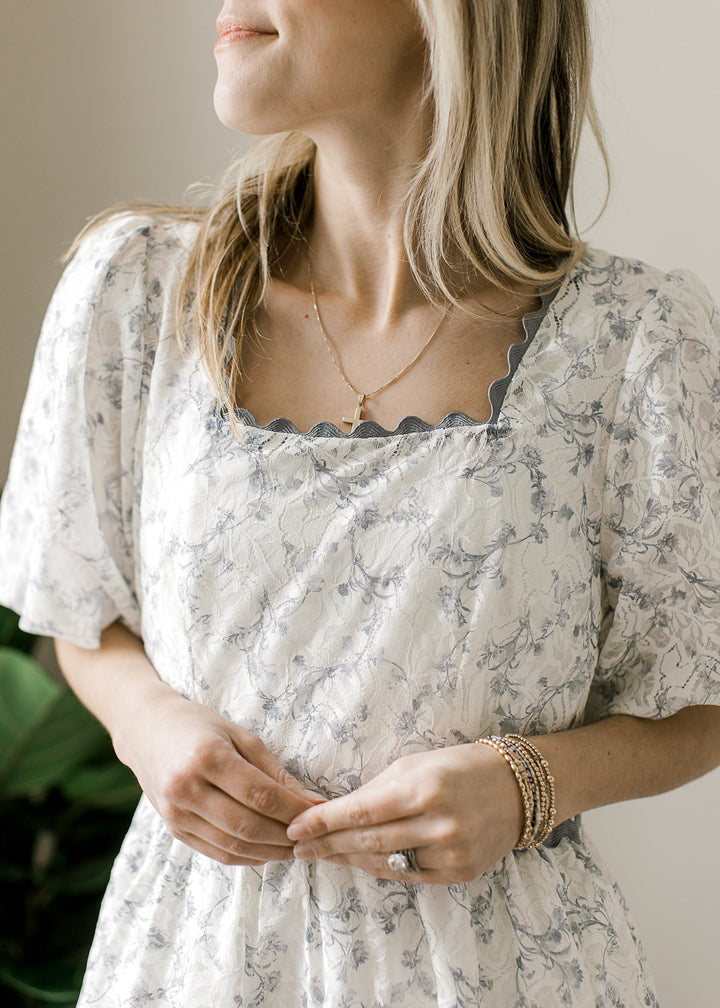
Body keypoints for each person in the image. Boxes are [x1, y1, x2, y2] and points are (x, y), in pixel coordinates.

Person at [1, 0, 719, 1004]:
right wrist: (148, 723)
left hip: (505, 975)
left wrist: (528, 788)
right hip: (196, 964)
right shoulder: (138, 292)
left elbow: (699, 699)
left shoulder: (635, 341)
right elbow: (82, 613)